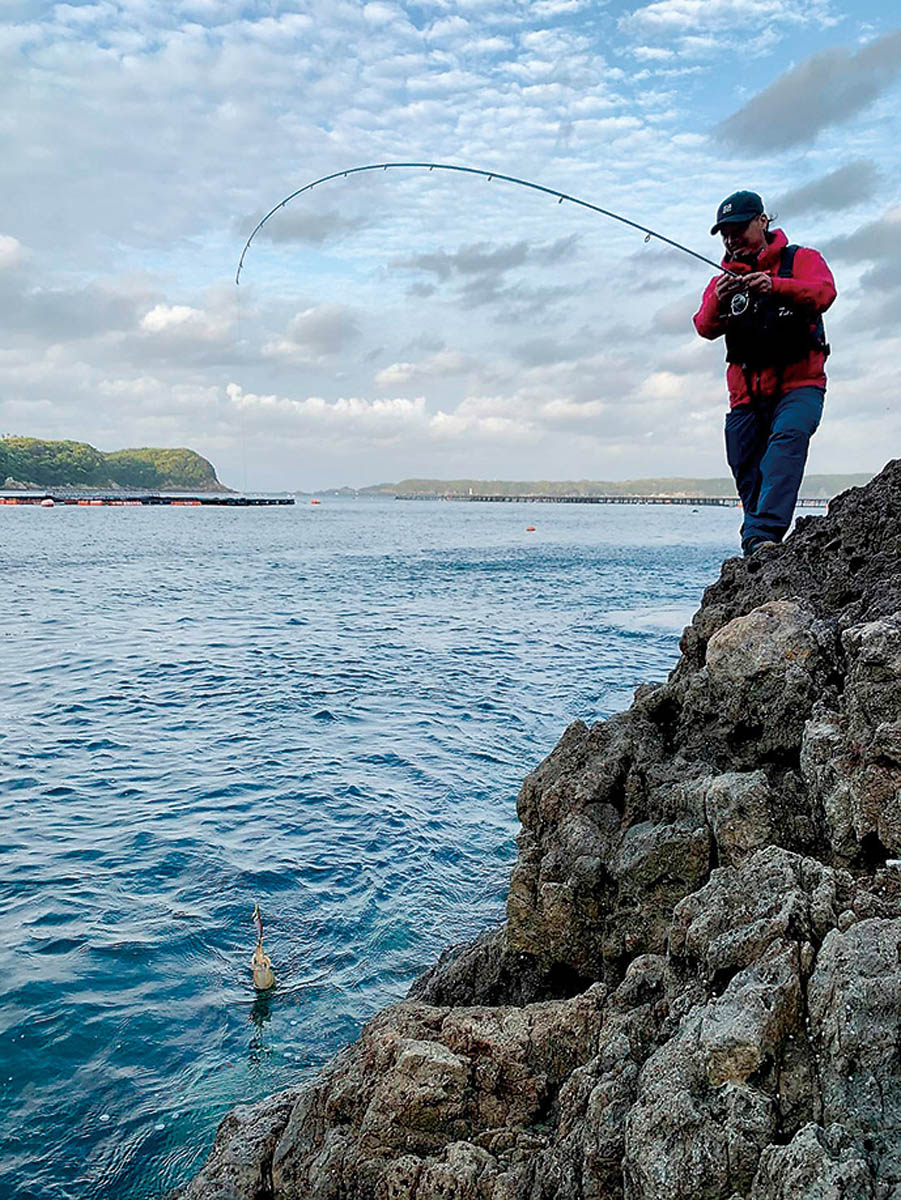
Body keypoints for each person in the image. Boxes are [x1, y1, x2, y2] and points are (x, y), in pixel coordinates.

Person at [693, 190, 836, 556]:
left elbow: (824, 292)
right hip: (745, 397)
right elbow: (704, 327)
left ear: (762, 221)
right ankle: (756, 542)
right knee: (746, 468)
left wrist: (776, 287)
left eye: (738, 228)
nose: (731, 238)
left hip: (800, 385)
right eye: (724, 233)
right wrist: (718, 300)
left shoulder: (801, 259)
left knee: (786, 444)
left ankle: (762, 539)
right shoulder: (723, 279)